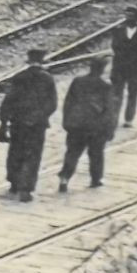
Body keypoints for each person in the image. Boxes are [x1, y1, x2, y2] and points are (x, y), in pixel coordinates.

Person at [0, 48, 58, 201]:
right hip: (37, 125)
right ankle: (27, 188)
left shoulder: (19, 77)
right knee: (33, 155)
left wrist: (4, 121)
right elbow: (52, 104)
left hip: (18, 122)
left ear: (29, 61)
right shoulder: (48, 79)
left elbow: (8, 100)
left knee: (16, 151)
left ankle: (14, 181)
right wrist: (39, 117)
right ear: (43, 61)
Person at [57, 56, 115, 193]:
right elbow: (109, 110)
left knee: (72, 153)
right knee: (96, 154)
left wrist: (67, 121)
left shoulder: (78, 82)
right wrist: (109, 129)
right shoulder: (106, 86)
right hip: (96, 127)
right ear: (103, 69)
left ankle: (64, 177)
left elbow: (68, 103)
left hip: (76, 125)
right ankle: (96, 179)